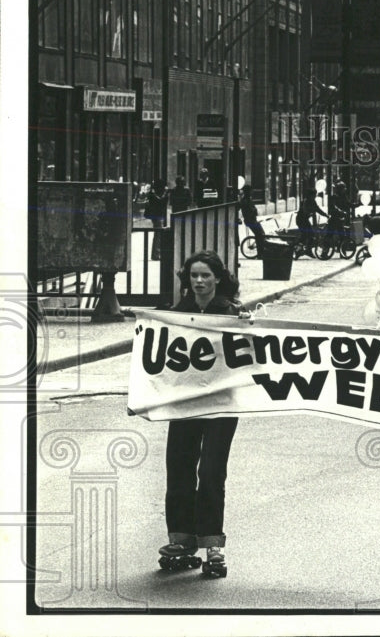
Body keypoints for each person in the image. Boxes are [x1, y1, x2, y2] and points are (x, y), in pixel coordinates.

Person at [158, 250, 245, 578]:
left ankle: (212, 544)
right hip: (185, 403)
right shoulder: (176, 314)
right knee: (179, 467)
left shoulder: (233, 313)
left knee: (210, 472)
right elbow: (157, 361)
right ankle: (181, 538)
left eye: (205, 275)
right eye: (194, 275)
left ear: (218, 279)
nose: (199, 281)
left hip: (222, 405)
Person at [295, 191, 328, 257]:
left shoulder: (311, 201)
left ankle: (301, 250)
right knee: (310, 235)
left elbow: (317, 209)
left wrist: (325, 215)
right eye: (314, 195)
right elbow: (308, 210)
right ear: (310, 195)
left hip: (303, 220)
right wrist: (311, 212)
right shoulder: (307, 201)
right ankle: (302, 250)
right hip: (302, 220)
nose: (315, 196)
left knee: (307, 235)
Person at [145, 179, 168, 260]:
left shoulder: (152, 193)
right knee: (158, 235)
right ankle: (156, 254)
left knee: (157, 235)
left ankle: (156, 253)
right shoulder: (153, 194)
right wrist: (165, 193)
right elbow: (160, 201)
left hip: (156, 216)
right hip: (158, 216)